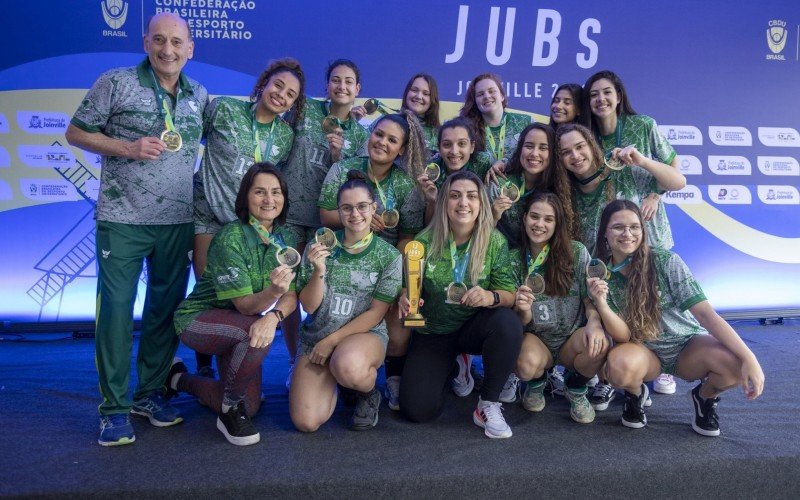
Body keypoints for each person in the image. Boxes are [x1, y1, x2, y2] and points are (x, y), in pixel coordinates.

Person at [64, 12, 208, 447]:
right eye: (159, 40)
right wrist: (126, 147)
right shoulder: (117, 81)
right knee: (116, 315)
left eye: (177, 42)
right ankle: (112, 409)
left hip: (178, 222)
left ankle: (149, 395)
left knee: (165, 313)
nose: (168, 50)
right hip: (123, 220)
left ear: (190, 49)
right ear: (146, 42)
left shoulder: (199, 95)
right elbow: (75, 132)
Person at [588, 200, 764, 435]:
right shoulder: (600, 273)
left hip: (686, 346)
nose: (627, 234)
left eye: (635, 227)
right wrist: (600, 303)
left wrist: (749, 357)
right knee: (619, 368)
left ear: (643, 229)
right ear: (605, 233)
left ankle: (704, 397)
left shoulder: (666, 261)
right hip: (643, 350)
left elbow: (706, 315)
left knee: (735, 365)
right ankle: (635, 393)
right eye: (618, 227)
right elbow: (623, 335)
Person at [192, 58, 305, 378]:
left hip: (250, 228)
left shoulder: (285, 137)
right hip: (210, 217)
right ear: (263, 84)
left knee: (244, 296)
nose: (281, 95)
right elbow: (190, 142)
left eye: (291, 95)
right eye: (278, 86)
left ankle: (237, 367)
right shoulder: (224, 109)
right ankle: (204, 367)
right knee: (210, 293)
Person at [170, 163, 298, 446]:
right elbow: (244, 306)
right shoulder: (231, 237)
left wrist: (275, 315)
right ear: (245, 197)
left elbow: (292, 295)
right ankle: (229, 410)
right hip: (199, 318)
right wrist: (273, 293)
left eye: (276, 192)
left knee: (250, 405)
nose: (269, 200)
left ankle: (178, 380)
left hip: (241, 323)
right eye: (260, 192)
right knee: (253, 332)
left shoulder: (286, 238)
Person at [398, 170, 522, 439]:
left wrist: (491, 297)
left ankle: (487, 403)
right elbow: (410, 288)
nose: (463, 203)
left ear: (481, 203)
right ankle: (454, 366)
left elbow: (509, 294)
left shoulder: (493, 241)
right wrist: (406, 297)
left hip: (473, 327)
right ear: (444, 202)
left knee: (507, 323)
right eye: (454, 196)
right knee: (418, 411)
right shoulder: (423, 242)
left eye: (471, 196)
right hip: (434, 332)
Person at [583, 70, 683, 397]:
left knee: (656, 296)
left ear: (619, 95)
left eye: (607, 92)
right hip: (608, 232)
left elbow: (674, 173)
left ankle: (663, 363)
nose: (601, 99)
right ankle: (622, 370)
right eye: (594, 94)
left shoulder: (643, 126)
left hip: (648, 228)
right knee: (615, 298)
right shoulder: (588, 138)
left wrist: (655, 192)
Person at [318, 110, 426, 411]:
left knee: (400, 325)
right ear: (370, 135)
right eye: (379, 134)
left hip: (385, 265)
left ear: (402, 149)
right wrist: (360, 217)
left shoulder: (405, 185)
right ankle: (347, 375)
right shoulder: (344, 168)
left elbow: (408, 237)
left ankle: (392, 376)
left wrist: (405, 285)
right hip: (344, 260)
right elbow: (325, 214)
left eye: (392, 140)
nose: (382, 143)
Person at [279, 58, 370, 385]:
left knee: (321, 290)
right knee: (288, 286)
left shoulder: (361, 135)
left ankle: (324, 354)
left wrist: (338, 157)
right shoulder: (304, 112)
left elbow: (356, 181)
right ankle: (294, 358)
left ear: (358, 89)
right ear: (327, 85)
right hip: (289, 215)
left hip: (329, 223)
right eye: (335, 80)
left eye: (349, 82)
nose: (341, 86)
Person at [290, 171, 403, 432]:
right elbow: (308, 307)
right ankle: (339, 383)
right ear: (339, 212)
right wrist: (319, 270)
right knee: (306, 422)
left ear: (374, 208)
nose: (355, 214)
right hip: (317, 337)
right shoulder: (318, 246)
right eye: (347, 208)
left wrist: (331, 342)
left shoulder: (389, 256)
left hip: (363, 335)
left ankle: (367, 392)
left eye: (362, 206)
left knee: (349, 366)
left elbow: (376, 314)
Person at [509, 192, 604, 423]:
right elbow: (518, 323)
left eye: (548, 219)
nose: (539, 224)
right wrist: (523, 309)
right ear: (524, 219)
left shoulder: (577, 252)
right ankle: (537, 382)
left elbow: (588, 299)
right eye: (534, 216)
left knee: (599, 345)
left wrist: (594, 323)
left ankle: (575, 387)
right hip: (537, 338)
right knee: (524, 364)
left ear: (557, 223)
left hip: (572, 338)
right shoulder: (512, 259)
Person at [556, 123, 685, 256]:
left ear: (591, 145)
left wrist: (643, 162)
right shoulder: (564, 192)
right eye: (565, 152)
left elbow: (679, 182)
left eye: (580, 146)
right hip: (603, 272)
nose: (575, 155)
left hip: (647, 262)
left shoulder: (619, 167)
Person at [416, 117, 493, 225]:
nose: (454, 151)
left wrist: (501, 163)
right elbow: (428, 227)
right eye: (447, 144)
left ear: (472, 147)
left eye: (462, 144)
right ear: (439, 147)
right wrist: (432, 202)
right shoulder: (430, 172)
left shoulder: (484, 163)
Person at [459, 73, 532, 166]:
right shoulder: (468, 130)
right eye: (480, 94)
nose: (486, 96)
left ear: (502, 96)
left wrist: (505, 161)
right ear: (475, 101)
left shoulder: (526, 122)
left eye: (491, 91)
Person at [400, 73, 442, 155]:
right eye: (414, 90)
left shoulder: (439, 134)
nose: (419, 96)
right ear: (407, 93)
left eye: (426, 94)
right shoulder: (388, 123)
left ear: (432, 100)